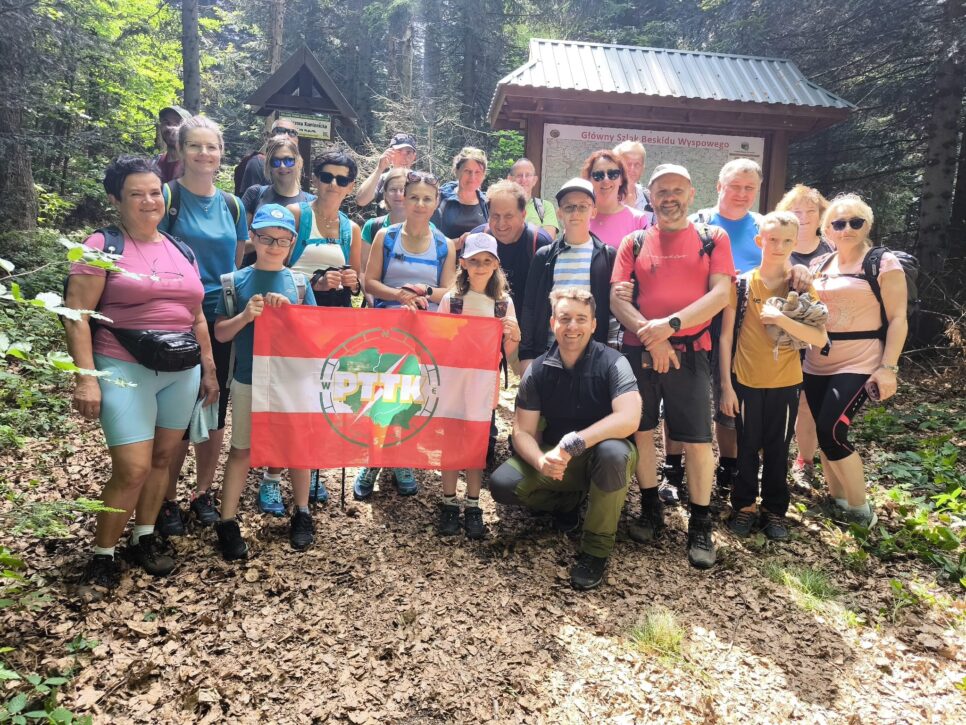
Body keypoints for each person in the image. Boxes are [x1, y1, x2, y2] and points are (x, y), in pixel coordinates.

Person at [65, 156, 218, 592]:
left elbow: (197, 315)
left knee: (163, 459)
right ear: (116, 199)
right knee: (131, 467)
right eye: (137, 193)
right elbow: (77, 314)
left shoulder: (179, 248)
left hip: (181, 370)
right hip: (122, 364)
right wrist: (86, 377)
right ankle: (102, 554)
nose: (149, 201)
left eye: (155, 192)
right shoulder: (102, 245)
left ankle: (145, 535)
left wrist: (208, 368)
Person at [609, 163, 735, 570]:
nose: (670, 198)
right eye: (662, 191)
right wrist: (653, 337)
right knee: (641, 432)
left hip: (692, 350)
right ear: (650, 195)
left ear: (692, 193)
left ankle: (700, 523)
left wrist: (670, 327)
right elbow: (617, 300)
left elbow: (720, 295)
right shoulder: (634, 241)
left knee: (698, 440)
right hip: (639, 353)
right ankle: (650, 508)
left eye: (677, 190)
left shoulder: (712, 238)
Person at [489, 288, 641, 591]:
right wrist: (540, 460)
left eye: (581, 319)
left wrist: (578, 442)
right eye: (565, 318)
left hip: (603, 457)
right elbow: (522, 431)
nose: (573, 326)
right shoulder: (539, 371)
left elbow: (629, 418)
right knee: (503, 483)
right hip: (559, 459)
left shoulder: (613, 363)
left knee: (613, 453)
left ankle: (595, 550)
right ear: (552, 323)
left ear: (595, 324)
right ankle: (567, 501)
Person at [157, 116, 247, 534]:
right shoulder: (166, 196)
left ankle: (203, 492)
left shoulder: (233, 204)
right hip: (176, 319)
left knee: (214, 408)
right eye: (195, 146)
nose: (204, 154)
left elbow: (238, 259)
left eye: (211, 147)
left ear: (221, 153)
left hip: (222, 317)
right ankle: (166, 497)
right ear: (180, 150)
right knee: (177, 412)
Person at [212, 204, 318, 559]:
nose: (274, 245)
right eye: (266, 237)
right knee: (241, 449)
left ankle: (302, 513)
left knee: (297, 449)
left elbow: (315, 339)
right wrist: (246, 315)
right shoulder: (233, 282)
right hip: (248, 380)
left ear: (292, 243)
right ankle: (227, 522)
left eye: (282, 239)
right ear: (253, 237)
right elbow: (221, 334)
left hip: (292, 382)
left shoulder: (299, 283)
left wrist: (288, 313)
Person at [718, 212, 827, 541]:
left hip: (786, 381)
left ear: (796, 243)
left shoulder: (802, 285)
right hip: (746, 381)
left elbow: (820, 338)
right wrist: (726, 385)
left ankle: (775, 510)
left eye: (787, 241)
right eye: (772, 239)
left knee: (778, 448)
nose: (779, 246)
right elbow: (725, 337)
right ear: (759, 241)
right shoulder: (741, 283)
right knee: (747, 446)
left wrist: (781, 318)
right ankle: (744, 506)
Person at [804, 194, 907, 527]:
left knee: (831, 431)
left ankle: (861, 510)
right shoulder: (819, 265)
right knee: (823, 434)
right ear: (827, 229)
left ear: (868, 225)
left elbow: (898, 318)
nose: (846, 229)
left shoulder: (882, 262)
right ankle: (838, 500)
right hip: (816, 361)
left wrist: (888, 368)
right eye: (838, 223)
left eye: (855, 222)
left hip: (861, 361)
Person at [355, 171, 457, 498]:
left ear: (436, 202)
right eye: (413, 197)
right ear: (403, 198)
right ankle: (372, 460)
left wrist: (424, 292)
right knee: (381, 394)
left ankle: (402, 458)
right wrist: (400, 295)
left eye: (427, 198)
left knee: (411, 395)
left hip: (424, 331)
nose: (420, 203)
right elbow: (369, 282)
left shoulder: (444, 245)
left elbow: (449, 292)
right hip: (385, 328)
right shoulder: (386, 235)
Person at [276, 149, 363, 509]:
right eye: (327, 176)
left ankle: (310, 470)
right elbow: (272, 268)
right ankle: (271, 474)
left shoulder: (351, 229)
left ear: (351, 186)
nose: (333, 184)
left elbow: (358, 286)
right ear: (314, 179)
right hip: (294, 320)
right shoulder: (296, 216)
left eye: (342, 179)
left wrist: (351, 281)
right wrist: (314, 282)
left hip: (333, 323)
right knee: (288, 400)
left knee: (320, 399)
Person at [436, 233, 521, 539]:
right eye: (474, 261)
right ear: (464, 264)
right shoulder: (452, 300)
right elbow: (437, 340)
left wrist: (515, 334)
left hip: (484, 388)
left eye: (487, 261)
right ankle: (448, 502)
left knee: (475, 447)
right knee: (450, 445)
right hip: (452, 385)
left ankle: (473, 504)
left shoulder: (502, 303)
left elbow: (510, 352)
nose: (481, 267)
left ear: (496, 264)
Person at [518, 178, 616, 371]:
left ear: (594, 211)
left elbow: (613, 313)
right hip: (548, 353)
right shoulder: (545, 256)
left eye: (583, 206)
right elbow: (529, 307)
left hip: (593, 358)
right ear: (559, 213)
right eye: (569, 207)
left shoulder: (607, 256)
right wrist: (526, 355)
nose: (576, 213)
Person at [775, 184, 835, 486]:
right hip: (779, 339)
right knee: (779, 400)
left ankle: (805, 460)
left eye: (811, 211)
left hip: (820, 338)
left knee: (807, 402)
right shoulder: (778, 245)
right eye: (797, 211)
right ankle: (773, 458)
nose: (804, 216)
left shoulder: (832, 249)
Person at [468, 180, 553, 313]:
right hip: (483, 321)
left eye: (508, 216)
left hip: (526, 324)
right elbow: (461, 285)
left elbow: (548, 297)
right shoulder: (478, 239)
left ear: (523, 215)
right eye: (495, 216)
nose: (501, 224)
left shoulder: (539, 243)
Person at [238, 136, 316, 267]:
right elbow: (240, 245)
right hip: (253, 274)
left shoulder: (310, 202)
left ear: (299, 162)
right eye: (276, 162)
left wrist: (266, 237)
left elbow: (311, 249)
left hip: (292, 278)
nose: (283, 166)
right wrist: (277, 239)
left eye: (289, 160)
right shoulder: (255, 194)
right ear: (269, 165)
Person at [581, 150, 648, 251]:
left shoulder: (637, 220)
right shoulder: (579, 217)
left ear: (621, 179)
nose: (606, 180)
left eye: (613, 174)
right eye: (598, 175)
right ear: (589, 180)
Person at [431, 147, 489, 241]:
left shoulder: (487, 203)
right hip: (446, 255)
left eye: (477, 172)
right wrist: (459, 243)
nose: (472, 177)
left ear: (483, 175)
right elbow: (429, 238)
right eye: (467, 171)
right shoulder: (440, 198)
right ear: (457, 171)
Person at [234, 118, 299, 196]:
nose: (286, 136)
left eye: (292, 133)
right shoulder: (258, 162)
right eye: (280, 131)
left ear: (297, 140)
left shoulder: (296, 165)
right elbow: (251, 202)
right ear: (270, 136)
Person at [355, 132, 418, 208]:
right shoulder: (382, 179)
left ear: (414, 156)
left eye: (408, 152)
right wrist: (379, 169)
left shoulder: (420, 181)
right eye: (399, 151)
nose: (404, 157)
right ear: (390, 153)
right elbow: (361, 201)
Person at [508, 158, 559, 237]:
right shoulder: (502, 207)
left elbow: (548, 238)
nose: (523, 179)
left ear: (534, 180)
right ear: (510, 179)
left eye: (528, 175)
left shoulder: (545, 207)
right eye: (519, 175)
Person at [612, 140, 654, 222]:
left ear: (642, 168)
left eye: (637, 164)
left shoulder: (650, 199)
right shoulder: (605, 197)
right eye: (628, 164)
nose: (632, 169)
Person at [154, 105, 191, 184]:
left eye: (178, 123)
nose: (170, 128)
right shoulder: (154, 163)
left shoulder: (193, 164)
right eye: (166, 122)